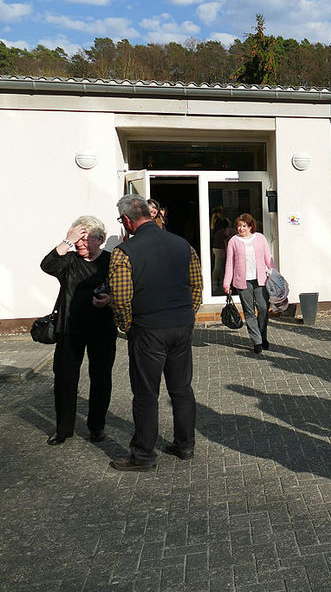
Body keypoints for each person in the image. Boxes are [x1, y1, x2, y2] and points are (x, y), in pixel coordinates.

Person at [108, 195, 203, 471]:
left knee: (146, 393)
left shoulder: (125, 252)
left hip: (148, 328)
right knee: (182, 388)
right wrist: (187, 313)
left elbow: (121, 296)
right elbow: (196, 285)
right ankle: (185, 444)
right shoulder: (182, 244)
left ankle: (143, 455)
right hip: (181, 325)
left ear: (127, 220)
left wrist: (126, 324)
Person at [40, 216, 117, 446]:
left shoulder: (111, 261)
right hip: (69, 328)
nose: (80, 244)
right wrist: (66, 241)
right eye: (77, 240)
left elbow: (125, 289)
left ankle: (97, 426)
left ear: (100, 239)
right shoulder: (70, 260)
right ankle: (63, 429)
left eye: (84, 239)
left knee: (101, 379)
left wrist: (111, 300)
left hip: (102, 328)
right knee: (65, 378)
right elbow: (47, 265)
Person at [223, 213, 276, 354]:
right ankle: (257, 341)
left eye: (244, 226)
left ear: (250, 226)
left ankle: (262, 335)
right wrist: (226, 283)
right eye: (239, 226)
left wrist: (274, 274)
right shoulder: (233, 241)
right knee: (249, 311)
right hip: (243, 281)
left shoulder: (260, 238)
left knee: (263, 308)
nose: (241, 228)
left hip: (261, 280)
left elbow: (268, 258)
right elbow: (229, 263)